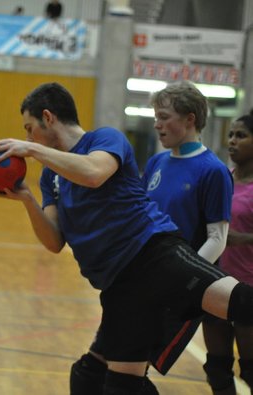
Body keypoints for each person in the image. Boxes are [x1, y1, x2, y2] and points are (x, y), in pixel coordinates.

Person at [0, 82, 253, 394]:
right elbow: (54, 241)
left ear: (48, 117)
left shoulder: (105, 139)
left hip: (154, 256)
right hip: (119, 285)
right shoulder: (50, 175)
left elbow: (93, 173)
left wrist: (31, 149)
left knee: (243, 305)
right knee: (101, 381)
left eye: (30, 129)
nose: (28, 138)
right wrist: (27, 199)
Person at [70, 81, 234, 393]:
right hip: (140, 281)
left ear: (189, 119)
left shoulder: (212, 170)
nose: (156, 124)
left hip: (176, 286)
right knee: (97, 372)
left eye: (164, 116)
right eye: (155, 116)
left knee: (127, 376)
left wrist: (181, 283)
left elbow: (217, 237)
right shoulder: (158, 162)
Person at [201, 110, 253, 395]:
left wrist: (241, 238)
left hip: (250, 287)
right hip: (218, 285)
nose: (232, 141)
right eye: (231, 135)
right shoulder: (224, 177)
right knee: (217, 370)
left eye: (241, 136)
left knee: (251, 370)